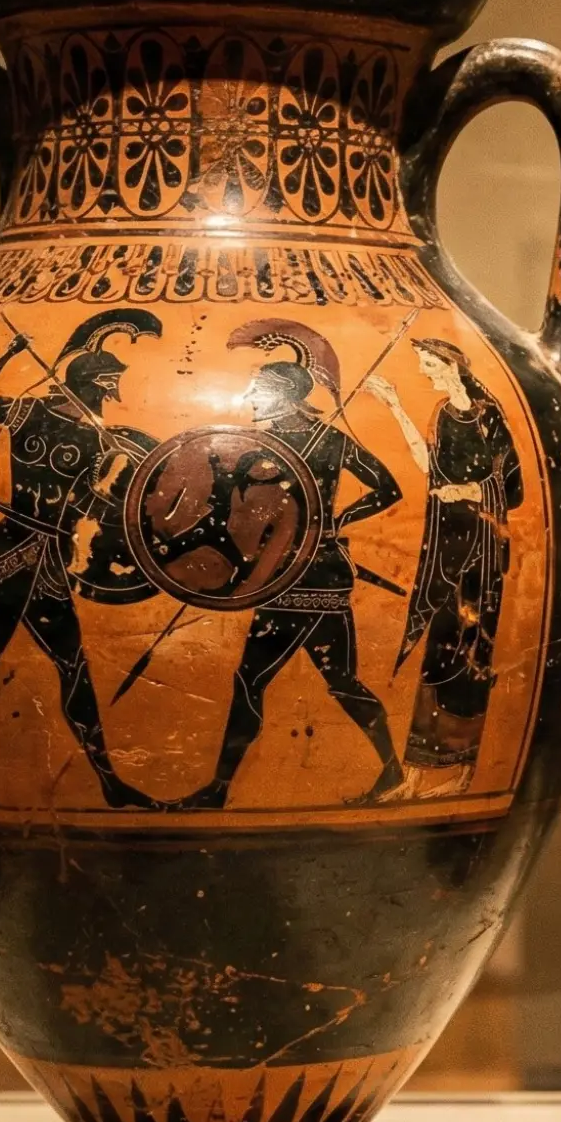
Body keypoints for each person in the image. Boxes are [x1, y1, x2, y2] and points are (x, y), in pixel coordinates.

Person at [0, 310, 160, 808]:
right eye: (108, 387)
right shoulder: (36, 414)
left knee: (62, 666)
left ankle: (108, 783)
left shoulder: (87, 432)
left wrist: (124, 497)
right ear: (94, 385)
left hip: (41, 555)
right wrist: (9, 354)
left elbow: (83, 503)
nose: (110, 396)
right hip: (17, 553)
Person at [179, 323, 409, 809]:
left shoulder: (296, 444)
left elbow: (389, 488)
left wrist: (338, 518)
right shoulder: (269, 445)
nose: (251, 399)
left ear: (284, 396)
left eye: (259, 391)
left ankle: (219, 790)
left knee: (259, 681)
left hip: (300, 578)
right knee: (335, 683)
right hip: (300, 575)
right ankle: (390, 769)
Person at [371, 338, 522, 784]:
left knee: (473, 648)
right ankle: (420, 772)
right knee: (438, 648)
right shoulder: (442, 412)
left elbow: (511, 486)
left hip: (482, 546)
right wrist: (396, 406)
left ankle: (463, 773)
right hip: (446, 542)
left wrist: (467, 491)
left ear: (451, 364)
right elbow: (428, 466)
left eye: (429, 363)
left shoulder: (489, 415)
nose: (425, 371)